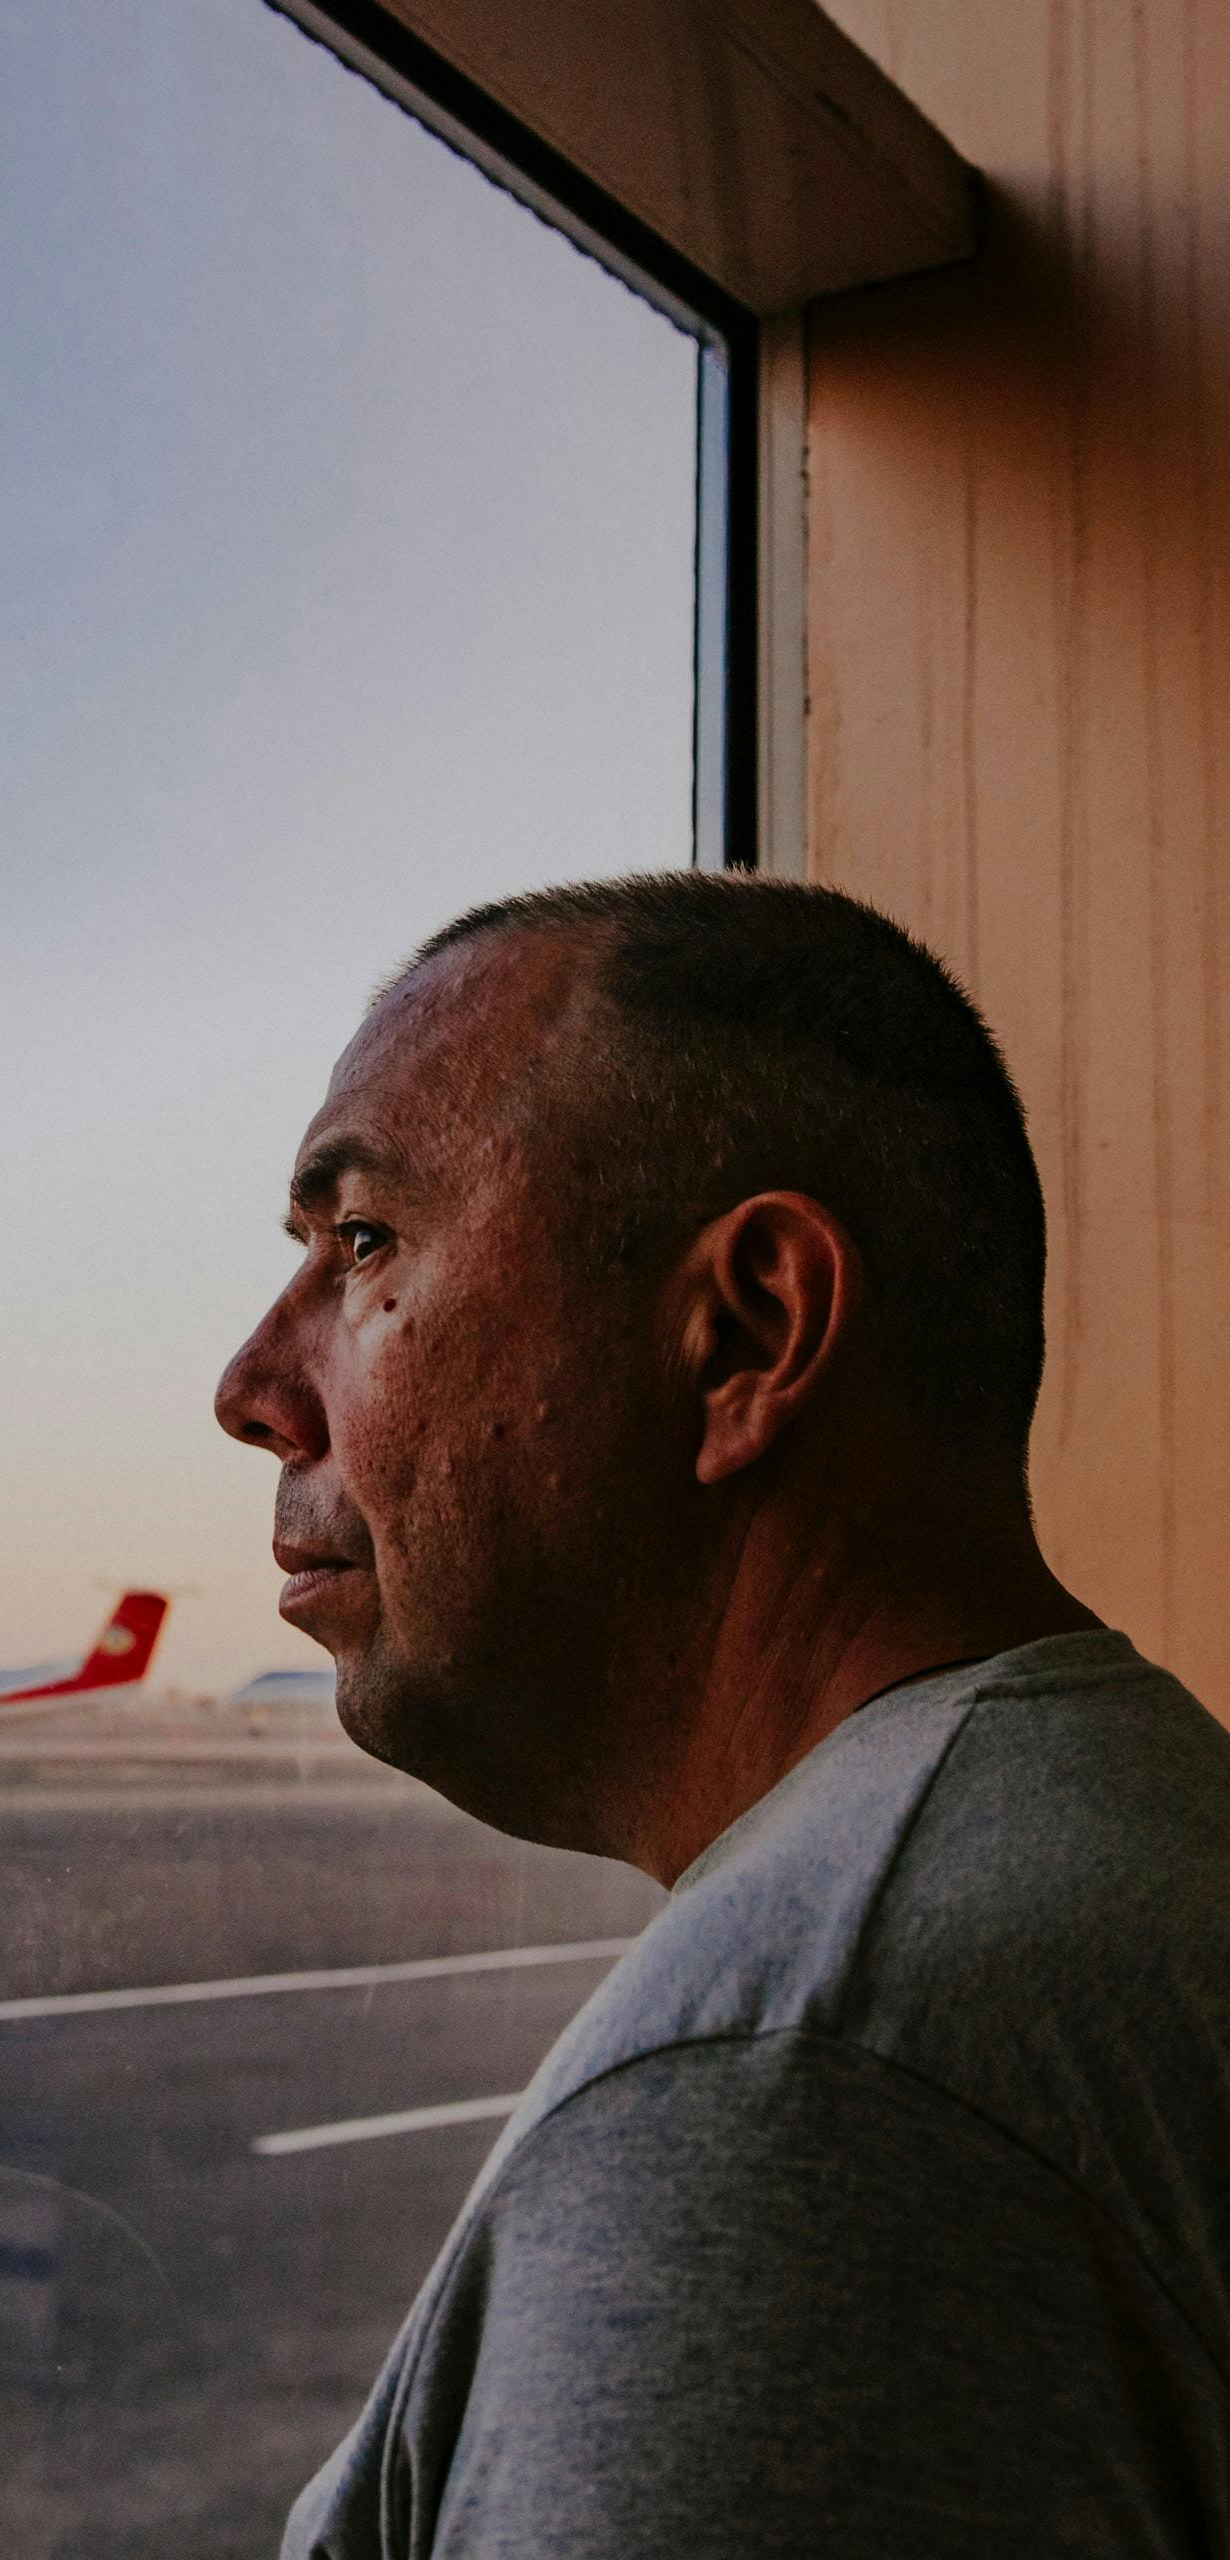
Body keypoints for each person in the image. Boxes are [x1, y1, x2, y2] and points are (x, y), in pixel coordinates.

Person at [214, 874, 1230, 2559]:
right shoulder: (1100, 1839)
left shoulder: (804, 2092)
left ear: (746, 1332)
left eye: (365, 1243)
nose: (251, 1390)